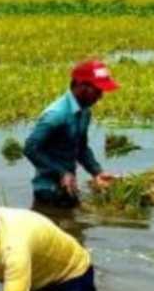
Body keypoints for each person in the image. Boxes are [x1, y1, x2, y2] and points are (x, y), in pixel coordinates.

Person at [23, 59, 119, 208]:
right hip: (48, 191)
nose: (100, 96)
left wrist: (97, 172)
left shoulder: (84, 112)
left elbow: (81, 147)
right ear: (81, 86)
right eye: (98, 90)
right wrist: (62, 173)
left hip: (68, 186)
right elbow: (30, 148)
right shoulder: (56, 115)